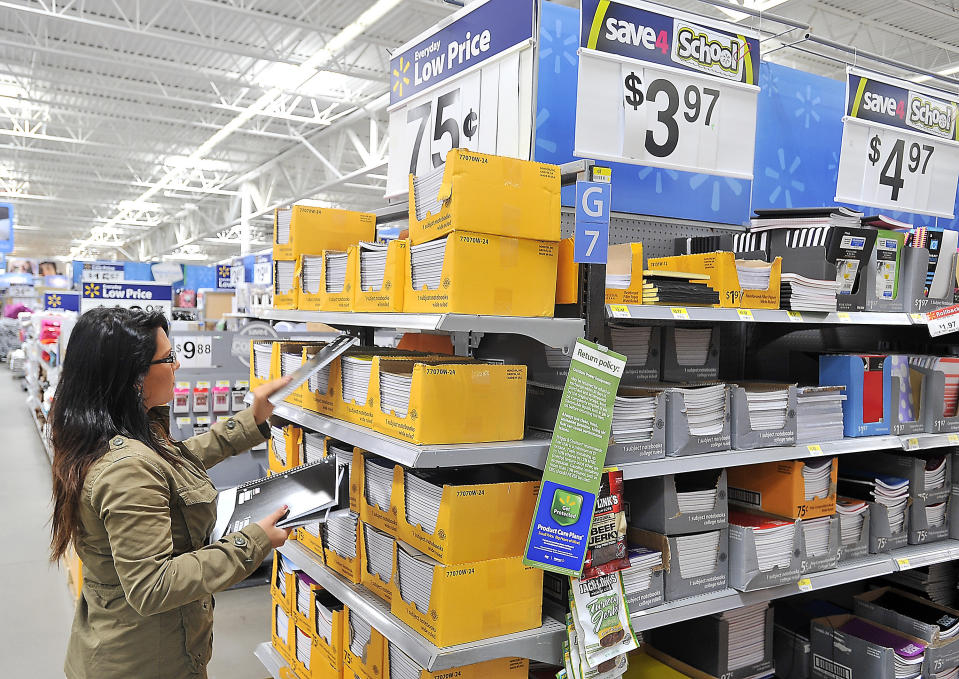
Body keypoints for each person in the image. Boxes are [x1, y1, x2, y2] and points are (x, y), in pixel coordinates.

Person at [50, 307, 293, 679]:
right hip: (145, 662)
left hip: (122, 645)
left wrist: (252, 420)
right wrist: (252, 542)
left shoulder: (113, 432)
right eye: (169, 358)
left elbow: (173, 464)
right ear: (134, 378)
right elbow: (152, 585)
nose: (177, 366)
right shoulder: (126, 466)